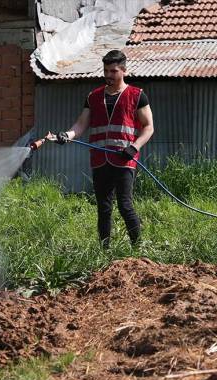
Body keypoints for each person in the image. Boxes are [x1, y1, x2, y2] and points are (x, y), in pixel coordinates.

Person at [55, 49, 154, 248]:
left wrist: (134, 147)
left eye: (113, 71)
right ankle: (104, 251)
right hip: (100, 159)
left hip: (125, 159)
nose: (108, 75)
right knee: (104, 208)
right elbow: (80, 125)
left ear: (124, 71)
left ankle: (138, 251)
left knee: (125, 206)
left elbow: (149, 127)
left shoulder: (137, 96)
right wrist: (67, 135)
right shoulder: (93, 97)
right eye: (106, 71)